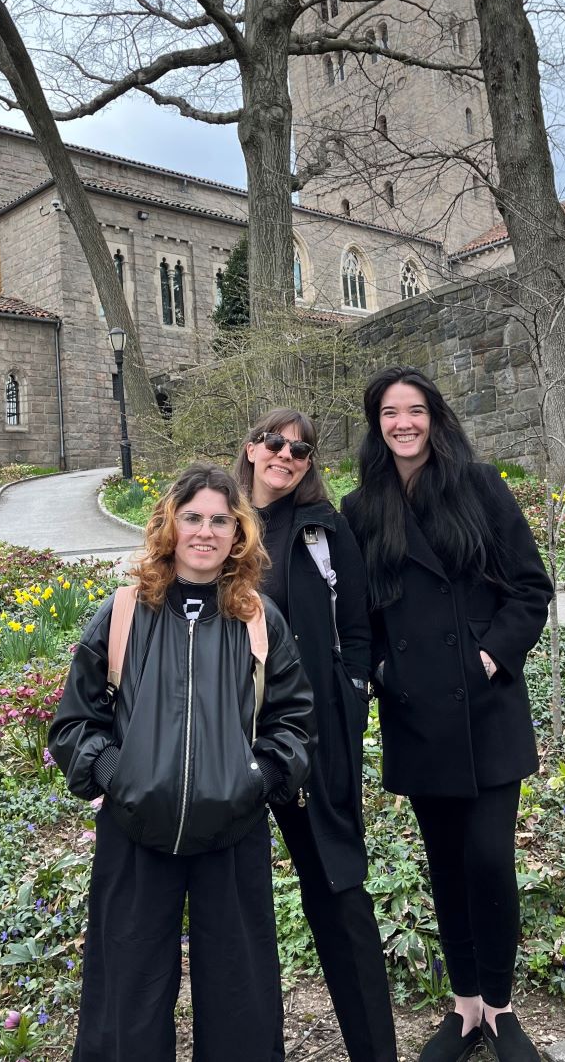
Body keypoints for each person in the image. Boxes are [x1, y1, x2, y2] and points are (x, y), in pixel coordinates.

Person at [48, 463, 316, 1062]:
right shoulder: (122, 613)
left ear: (239, 533)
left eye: (221, 519)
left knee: (239, 994)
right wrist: (119, 775)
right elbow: (73, 724)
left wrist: (258, 778)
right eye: (192, 517)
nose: (205, 531)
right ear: (169, 524)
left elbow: (294, 722)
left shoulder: (258, 620)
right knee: (129, 991)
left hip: (232, 830)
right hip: (136, 830)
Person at [340, 369, 552, 1062]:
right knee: (446, 864)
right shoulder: (361, 507)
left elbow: (530, 586)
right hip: (415, 712)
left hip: (484, 705)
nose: (403, 423)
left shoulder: (478, 484)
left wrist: (489, 658)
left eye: (415, 410)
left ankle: (502, 1006)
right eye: (390, 413)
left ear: (434, 416)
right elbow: (356, 613)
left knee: (489, 858)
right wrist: (378, 671)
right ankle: (464, 1008)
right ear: (376, 423)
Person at [235, 411, 398, 1062]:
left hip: (313, 736)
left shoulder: (324, 528)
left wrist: (351, 703)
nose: (287, 453)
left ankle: (374, 1052)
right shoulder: (222, 522)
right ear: (251, 448)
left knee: (337, 887)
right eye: (275, 442)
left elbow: (357, 627)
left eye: (300, 448)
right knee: (238, 903)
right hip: (235, 740)